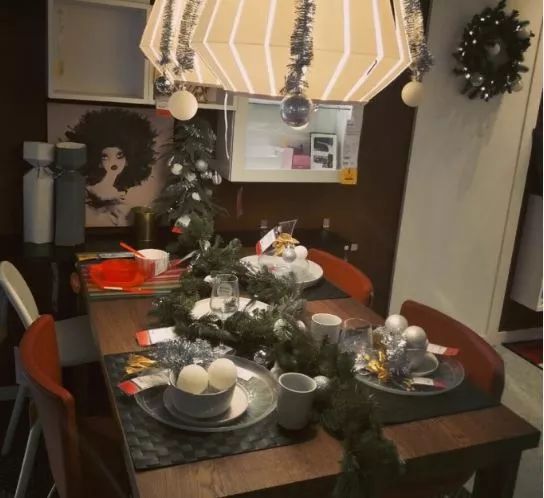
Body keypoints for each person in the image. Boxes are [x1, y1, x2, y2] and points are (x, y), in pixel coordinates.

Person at [65, 108, 157, 225]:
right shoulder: (87, 191)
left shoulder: (119, 195)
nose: (113, 162)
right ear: (98, 161)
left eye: (119, 156)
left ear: (128, 161)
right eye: (105, 156)